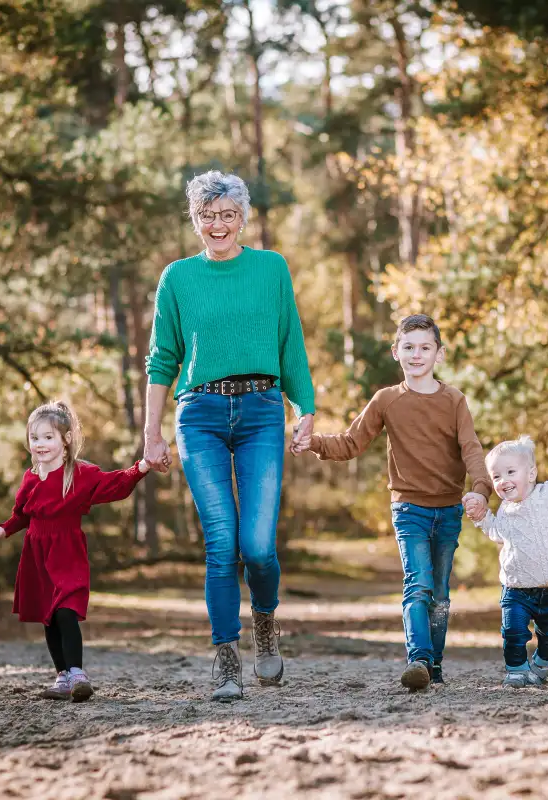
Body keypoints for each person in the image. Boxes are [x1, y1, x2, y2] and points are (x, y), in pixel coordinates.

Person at [142, 170, 316, 702]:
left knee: (258, 547)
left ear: (243, 218)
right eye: (207, 216)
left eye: (227, 215)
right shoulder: (177, 278)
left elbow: (291, 343)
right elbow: (162, 358)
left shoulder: (271, 268)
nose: (218, 224)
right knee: (222, 543)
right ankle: (225, 660)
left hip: (263, 409)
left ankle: (265, 619)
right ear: (195, 221)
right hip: (200, 414)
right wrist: (151, 432)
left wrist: (304, 406)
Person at [293, 314, 492, 690]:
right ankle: (418, 660)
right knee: (418, 584)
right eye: (409, 347)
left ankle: (433, 665)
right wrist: (314, 441)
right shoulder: (386, 400)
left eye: (425, 348)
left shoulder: (454, 401)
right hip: (408, 509)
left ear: (439, 354)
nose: (417, 355)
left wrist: (480, 488)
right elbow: (351, 442)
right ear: (396, 352)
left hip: (448, 510)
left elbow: (472, 449)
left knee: (441, 595)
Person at [0, 401, 149, 702]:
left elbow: (116, 485)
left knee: (66, 611)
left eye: (48, 437)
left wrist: (142, 466)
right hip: (37, 553)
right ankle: (62, 677)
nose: (40, 444)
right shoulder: (31, 479)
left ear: (65, 440)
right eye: (35, 438)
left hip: (67, 551)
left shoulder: (80, 474)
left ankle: (77, 674)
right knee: (49, 616)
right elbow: (21, 516)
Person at [466, 420, 548, 687]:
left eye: (510, 471)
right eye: (497, 476)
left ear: (532, 472)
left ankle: (543, 663)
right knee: (512, 632)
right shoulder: (504, 511)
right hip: (515, 589)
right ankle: (515, 670)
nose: (503, 481)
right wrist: (481, 516)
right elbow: (495, 532)